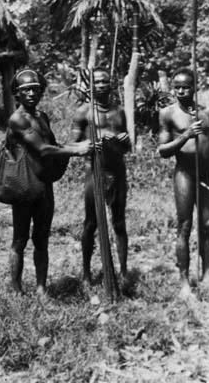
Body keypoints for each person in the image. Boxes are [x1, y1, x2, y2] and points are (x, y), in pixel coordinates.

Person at [7, 68, 92, 296]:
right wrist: (77, 151)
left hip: (44, 186)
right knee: (20, 239)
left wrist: (79, 146)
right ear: (17, 93)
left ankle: (41, 289)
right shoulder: (17, 119)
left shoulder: (41, 117)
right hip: (24, 185)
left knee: (42, 238)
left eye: (35, 89)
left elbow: (54, 145)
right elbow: (43, 150)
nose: (31, 94)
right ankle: (16, 290)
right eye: (26, 90)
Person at [158, 68, 209, 297]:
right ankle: (185, 281)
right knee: (184, 226)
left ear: (195, 87)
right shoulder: (168, 113)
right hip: (185, 174)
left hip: (206, 176)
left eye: (186, 86)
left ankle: (207, 276)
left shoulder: (207, 113)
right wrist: (186, 135)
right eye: (177, 87)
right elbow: (162, 150)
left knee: (207, 225)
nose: (181, 91)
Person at [71, 67, 131, 285]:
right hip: (94, 171)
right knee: (91, 223)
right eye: (97, 82)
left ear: (111, 84)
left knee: (119, 223)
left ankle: (123, 272)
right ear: (91, 86)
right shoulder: (84, 112)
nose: (102, 85)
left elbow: (127, 147)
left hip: (117, 172)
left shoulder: (119, 111)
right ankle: (86, 274)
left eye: (105, 82)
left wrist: (124, 141)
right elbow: (73, 144)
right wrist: (92, 143)